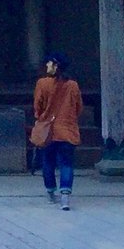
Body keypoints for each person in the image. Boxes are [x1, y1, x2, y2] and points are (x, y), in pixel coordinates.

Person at [32, 54, 83, 210]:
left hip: (48, 131)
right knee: (66, 163)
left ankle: (50, 192)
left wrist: (41, 117)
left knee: (48, 162)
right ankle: (65, 196)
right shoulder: (73, 85)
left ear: (55, 66)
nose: (47, 64)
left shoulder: (42, 83)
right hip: (67, 131)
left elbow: (37, 106)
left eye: (49, 63)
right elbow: (79, 107)